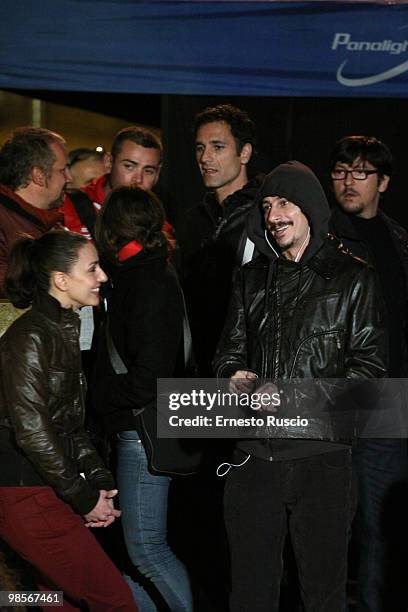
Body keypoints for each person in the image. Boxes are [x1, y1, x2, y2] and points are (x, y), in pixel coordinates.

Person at [213, 161, 388, 612]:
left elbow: (370, 377)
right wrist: (233, 376)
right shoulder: (250, 279)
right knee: (249, 594)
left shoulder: (354, 278)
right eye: (267, 205)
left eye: (285, 203)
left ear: (309, 207)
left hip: (322, 462)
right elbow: (227, 355)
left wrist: (294, 401)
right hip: (252, 459)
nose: (274, 215)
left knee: (323, 595)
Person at [0, 230, 137, 611]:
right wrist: (84, 498)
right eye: (92, 269)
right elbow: (32, 431)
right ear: (61, 280)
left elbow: (70, 425)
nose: (103, 277)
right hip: (25, 492)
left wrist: (98, 482)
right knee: (116, 602)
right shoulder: (29, 338)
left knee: (57, 600)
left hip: (41, 488)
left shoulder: (62, 330)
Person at [92, 186, 193, 612]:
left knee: (148, 551)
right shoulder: (144, 274)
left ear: (112, 228)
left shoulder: (146, 280)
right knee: (140, 553)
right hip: (138, 428)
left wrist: (95, 395)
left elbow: (149, 376)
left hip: (141, 432)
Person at [329, 135, 408, 612]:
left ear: (383, 182)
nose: (348, 181)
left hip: (387, 398)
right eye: (340, 170)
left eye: (360, 172)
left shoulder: (397, 238)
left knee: (380, 524)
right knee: (327, 521)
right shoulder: (320, 234)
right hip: (333, 394)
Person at [178, 103, 264, 376]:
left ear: (245, 153)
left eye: (218, 147)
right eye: (200, 147)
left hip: (249, 369)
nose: (205, 157)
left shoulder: (266, 215)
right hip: (198, 369)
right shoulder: (193, 219)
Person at [0, 127, 70, 295]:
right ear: (38, 175)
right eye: (62, 170)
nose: (69, 178)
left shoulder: (50, 224)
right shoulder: (3, 222)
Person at [63, 126, 164, 240]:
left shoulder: (160, 227)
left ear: (157, 175)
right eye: (129, 166)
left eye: (148, 171)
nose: (138, 179)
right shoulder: (69, 207)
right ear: (109, 162)